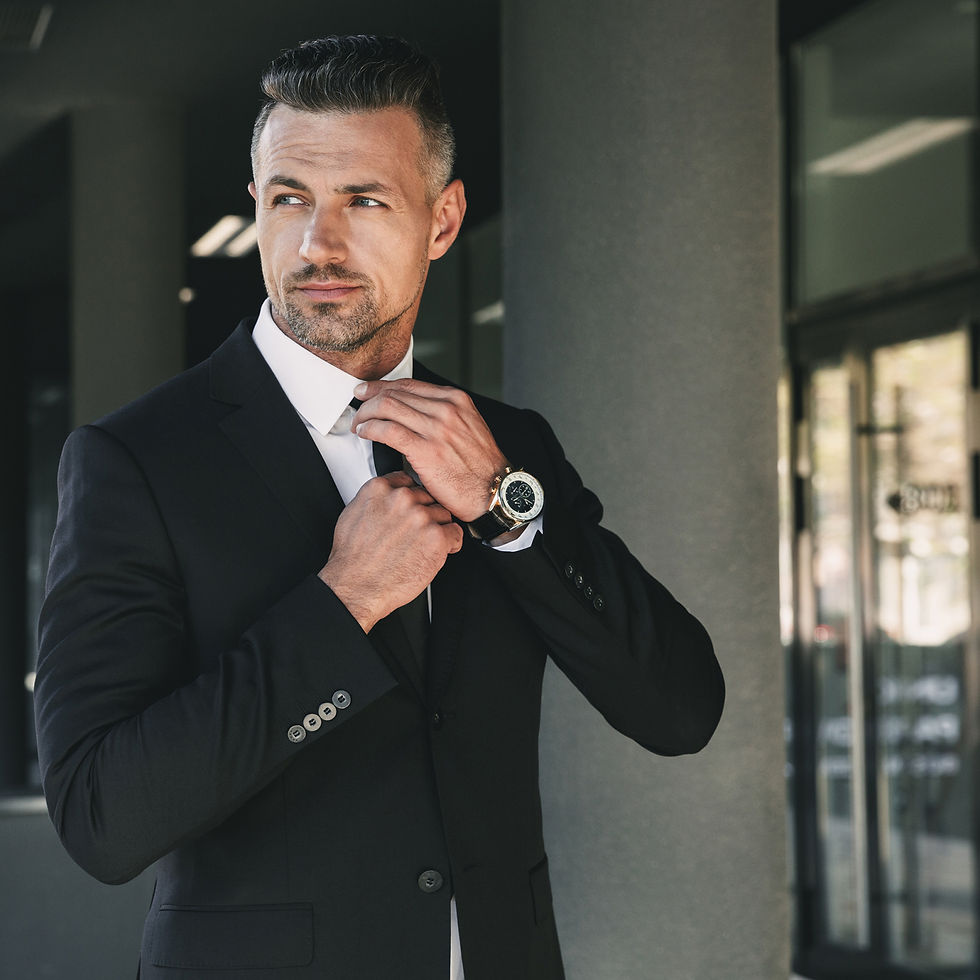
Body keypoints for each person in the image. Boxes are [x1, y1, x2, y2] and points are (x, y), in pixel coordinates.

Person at [34, 34, 724, 980]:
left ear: (443, 222)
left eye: (364, 200)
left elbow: (680, 710)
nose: (319, 243)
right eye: (290, 200)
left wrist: (507, 514)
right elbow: (101, 818)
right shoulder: (137, 461)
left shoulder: (507, 446)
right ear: (258, 208)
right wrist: (341, 604)